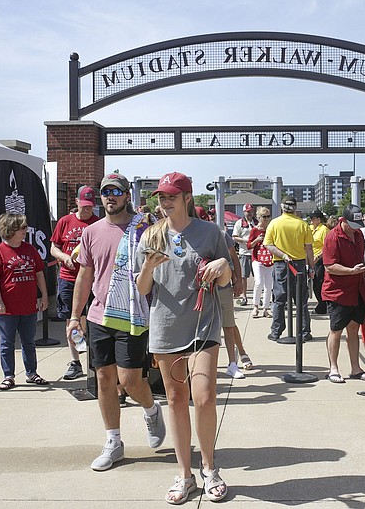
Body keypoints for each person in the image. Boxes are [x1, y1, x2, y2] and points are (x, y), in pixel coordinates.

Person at [136, 172, 232, 504]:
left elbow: (227, 280)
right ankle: (185, 474)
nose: (164, 202)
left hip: (204, 325)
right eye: (161, 197)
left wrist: (222, 262)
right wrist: (148, 266)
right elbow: (142, 288)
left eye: (171, 196)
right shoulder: (150, 235)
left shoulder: (210, 232)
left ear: (187, 198)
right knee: (176, 401)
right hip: (165, 327)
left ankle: (209, 468)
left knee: (204, 397)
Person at [67, 172, 166, 472]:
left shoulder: (145, 229)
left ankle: (151, 409)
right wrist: (75, 315)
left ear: (126, 196)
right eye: (105, 192)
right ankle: (114, 441)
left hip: (133, 315)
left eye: (116, 191)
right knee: (104, 380)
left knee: (130, 380)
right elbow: (85, 275)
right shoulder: (92, 232)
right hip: (99, 316)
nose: (110, 196)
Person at [0, 213, 50, 391]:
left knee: (28, 341)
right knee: (7, 343)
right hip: (6, 307)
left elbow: (39, 273)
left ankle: (32, 373)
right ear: (11, 230)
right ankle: (8, 376)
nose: (25, 230)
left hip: (28, 305)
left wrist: (44, 295)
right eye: (22, 228)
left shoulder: (30, 249)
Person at [50, 185, 100, 380]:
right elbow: (54, 247)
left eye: (90, 206)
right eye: (83, 205)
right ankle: (75, 361)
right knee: (71, 320)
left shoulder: (98, 224)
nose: (86, 209)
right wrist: (64, 257)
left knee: (90, 320)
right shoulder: (65, 221)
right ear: (76, 202)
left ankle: (92, 360)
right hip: (69, 279)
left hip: (93, 280)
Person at [322, 204, 365, 383]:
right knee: (336, 330)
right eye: (352, 224)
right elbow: (329, 266)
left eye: (358, 224)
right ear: (343, 220)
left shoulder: (358, 235)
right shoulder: (333, 237)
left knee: (353, 329)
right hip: (338, 292)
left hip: (357, 289)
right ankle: (333, 368)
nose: (355, 228)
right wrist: (351, 271)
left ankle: (355, 368)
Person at [198, 206, 251, 378]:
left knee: (228, 324)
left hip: (222, 287)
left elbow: (233, 257)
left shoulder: (219, 234)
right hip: (201, 290)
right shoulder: (186, 235)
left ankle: (233, 362)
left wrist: (237, 280)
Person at [264, 197, 314, 342]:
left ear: (282, 207)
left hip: (280, 264)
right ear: (295, 207)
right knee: (301, 299)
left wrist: (282, 254)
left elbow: (268, 245)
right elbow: (309, 248)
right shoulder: (303, 224)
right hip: (299, 264)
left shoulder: (274, 223)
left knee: (279, 299)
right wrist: (311, 267)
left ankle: (276, 332)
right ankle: (304, 332)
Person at [247, 206, 274, 318]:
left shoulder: (271, 229)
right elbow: (248, 246)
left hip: (269, 260)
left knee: (269, 285)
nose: (266, 219)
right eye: (264, 217)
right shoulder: (254, 230)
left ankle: (266, 308)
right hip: (257, 259)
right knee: (258, 282)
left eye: (268, 216)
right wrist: (257, 240)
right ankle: (255, 306)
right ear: (258, 217)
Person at [232, 203, 257, 306]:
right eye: (248, 211)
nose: (250, 213)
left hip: (256, 253)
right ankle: (244, 296)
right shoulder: (239, 223)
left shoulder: (257, 222)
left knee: (257, 277)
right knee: (244, 276)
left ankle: (257, 296)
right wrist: (245, 240)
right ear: (244, 212)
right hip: (245, 253)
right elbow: (234, 236)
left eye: (251, 211)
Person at [309, 209, 330, 314]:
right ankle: (320, 303)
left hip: (319, 260)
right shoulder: (311, 228)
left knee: (319, 282)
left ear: (318, 219)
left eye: (313, 218)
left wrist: (318, 256)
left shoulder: (324, 230)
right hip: (310, 259)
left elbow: (327, 247)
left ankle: (322, 305)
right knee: (314, 283)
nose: (311, 220)